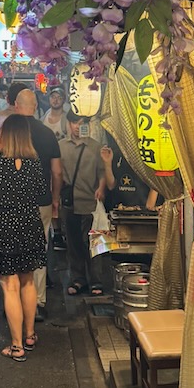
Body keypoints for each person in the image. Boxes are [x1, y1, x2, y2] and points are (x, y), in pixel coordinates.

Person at [0, 114, 46, 361]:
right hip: (29, 225)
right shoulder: (34, 162)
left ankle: (16, 346)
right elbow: (40, 192)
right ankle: (30, 335)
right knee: (28, 282)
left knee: (9, 286)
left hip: (0, 226)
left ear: (3, 135)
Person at [12, 88, 62, 321]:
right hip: (41, 201)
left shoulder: (9, 133)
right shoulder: (47, 134)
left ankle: (14, 300)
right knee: (39, 250)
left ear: (17, 106)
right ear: (35, 107)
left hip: (12, 202)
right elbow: (57, 171)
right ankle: (38, 301)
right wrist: (55, 199)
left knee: (14, 249)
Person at [60, 111, 109, 296]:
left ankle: (96, 281)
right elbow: (56, 174)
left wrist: (101, 188)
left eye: (81, 123)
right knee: (73, 245)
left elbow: (102, 172)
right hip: (69, 202)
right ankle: (78, 279)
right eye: (74, 123)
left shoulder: (95, 147)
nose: (77, 127)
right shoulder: (61, 146)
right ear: (69, 124)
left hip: (90, 203)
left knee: (94, 244)